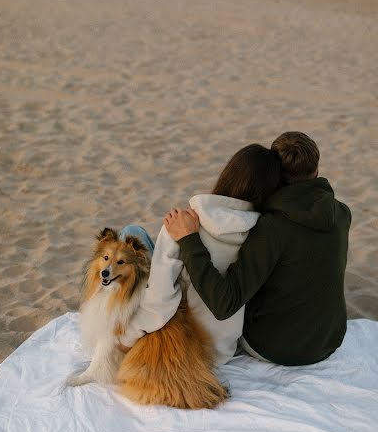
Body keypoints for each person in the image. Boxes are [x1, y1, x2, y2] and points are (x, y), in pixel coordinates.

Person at [165, 132, 351, 366]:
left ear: (275, 174)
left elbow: (224, 305)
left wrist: (189, 240)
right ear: (316, 169)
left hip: (275, 348)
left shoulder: (272, 228)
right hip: (329, 340)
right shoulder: (342, 213)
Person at [118, 144, 281, 365]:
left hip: (184, 344)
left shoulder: (184, 223)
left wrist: (126, 339)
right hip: (223, 351)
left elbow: (160, 300)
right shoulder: (263, 235)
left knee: (132, 233)